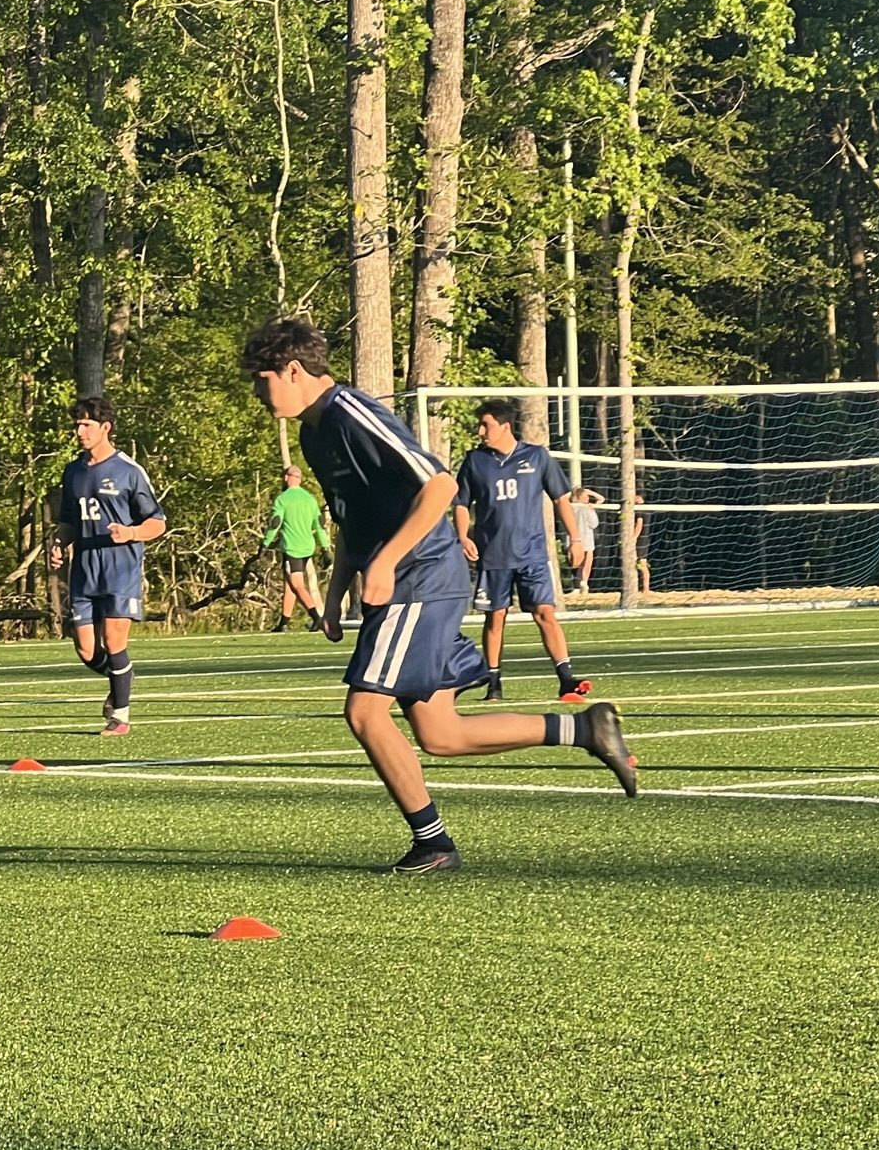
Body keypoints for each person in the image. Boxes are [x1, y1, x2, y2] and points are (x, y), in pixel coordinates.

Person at [241, 317, 637, 876]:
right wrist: (334, 596)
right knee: (441, 733)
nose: (259, 393)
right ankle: (583, 728)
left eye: (262, 380)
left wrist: (385, 562)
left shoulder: (351, 413)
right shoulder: (313, 431)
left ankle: (433, 843)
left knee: (365, 712)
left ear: (293, 370)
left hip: (421, 577)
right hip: (407, 580)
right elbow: (355, 520)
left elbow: (440, 485)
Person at [453, 398, 593, 704]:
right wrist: (463, 536)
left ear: (505, 427)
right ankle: (493, 683)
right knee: (495, 618)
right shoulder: (475, 461)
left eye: (486, 425)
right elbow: (461, 503)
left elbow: (561, 498)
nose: (480, 431)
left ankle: (566, 679)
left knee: (545, 613)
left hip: (532, 554)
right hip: (493, 556)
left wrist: (575, 539)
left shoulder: (536, 456)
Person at [50, 396, 166, 736]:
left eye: (86, 424)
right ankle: (122, 677)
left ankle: (121, 717)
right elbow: (69, 521)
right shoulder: (72, 471)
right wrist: (60, 543)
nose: (80, 431)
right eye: (76, 425)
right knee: (86, 649)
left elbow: (157, 523)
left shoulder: (129, 471)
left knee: (115, 642)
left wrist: (130, 532)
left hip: (120, 568)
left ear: (106, 428)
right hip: (84, 568)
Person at [262, 464, 330, 631]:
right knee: (290, 584)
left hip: (292, 548)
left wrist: (265, 544)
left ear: (286, 478)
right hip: (307, 547)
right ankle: (283, 623)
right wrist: (326, 548)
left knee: (297, 584)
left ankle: (317, 618)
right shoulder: (310, 499)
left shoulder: (282, 499)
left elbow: (275, 524)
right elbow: (320, 526)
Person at [568, 488, 603, 597]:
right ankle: (584, 583)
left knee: (576, 562)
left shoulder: (570, 506)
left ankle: (577, 586)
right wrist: (591, 493)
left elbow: (601, 499)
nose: (588, 498)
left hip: (573, 538)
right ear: (579, 497)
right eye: (585, 496)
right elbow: (594, 523)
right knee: (585, 562)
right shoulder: (586, 509)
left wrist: (588, 492)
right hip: (585, 537)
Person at [634, 494, 651, 599]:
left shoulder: (639, 510)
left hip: (641, 540)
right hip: (644, 539)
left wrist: (634, 537)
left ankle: (646, 589)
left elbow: (639, 525)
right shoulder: (645, 510)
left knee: (642, 564)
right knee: (640, 564)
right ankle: (644, 588)